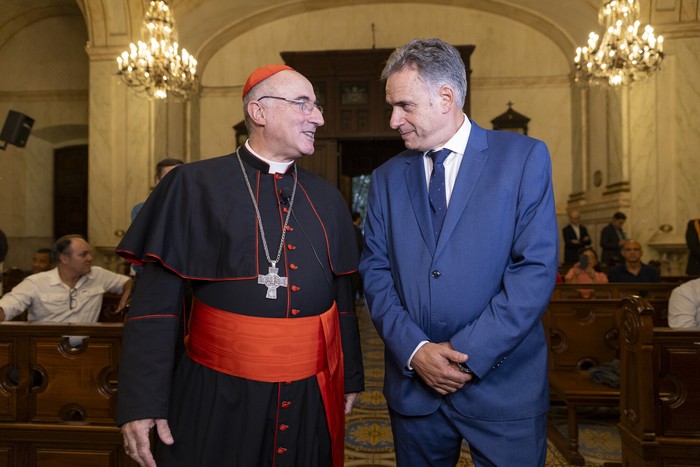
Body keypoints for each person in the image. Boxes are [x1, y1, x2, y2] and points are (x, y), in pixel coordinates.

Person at [116, 64, 364, 467]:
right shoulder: (192, 186)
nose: (318, 117)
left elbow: (343, 297)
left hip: (308, 391)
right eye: (303, 104)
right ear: (259, 112)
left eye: (316, 106)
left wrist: (350, 373)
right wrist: (141, 402)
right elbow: (155, 307)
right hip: (217, 390)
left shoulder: (327, 197)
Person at [359, 38, 558, 466]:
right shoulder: (386, 179)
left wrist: (466, 357)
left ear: (446, 97)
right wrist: (416, 351)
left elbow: (536, 270)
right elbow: (375, 273)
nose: (393, 120)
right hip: (415, 394)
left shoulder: (523, 158)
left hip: (504, 388)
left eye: (404, 106)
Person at [0, 234, 132, 322]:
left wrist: (127, 295)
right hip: (45, 350)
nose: (90, 259)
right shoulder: (36, 282)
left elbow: (129, 282)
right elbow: (8, 307)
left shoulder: (98, 275)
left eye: (90, 254)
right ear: (64, 258)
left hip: (89, 349)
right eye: (83, 255)